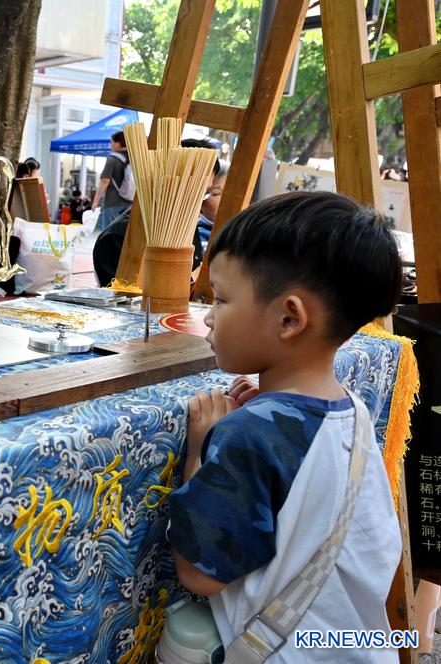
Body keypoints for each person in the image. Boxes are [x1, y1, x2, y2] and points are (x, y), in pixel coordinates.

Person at [168, 191, 403, 663]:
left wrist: (199, 451)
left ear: (290, 318)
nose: (208, 316)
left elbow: (199, 574)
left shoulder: (250, 434)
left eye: (221, 299)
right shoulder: (352, 410)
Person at [92, 138, 221, 286]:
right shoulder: (117, 237)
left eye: (204, 193)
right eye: (194, 191)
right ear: (166, 179)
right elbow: (120, 296)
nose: (197, 203)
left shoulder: (185, 229)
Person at [93, 131, 131, 231]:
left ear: (118, 143)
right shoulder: (134, 158)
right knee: (123, 234)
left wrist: (96, 201)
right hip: (130, 203)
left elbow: (105, 181)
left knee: (108, 233)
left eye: (112, 142)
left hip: (112, 202)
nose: (111, 145)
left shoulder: (112, 158)